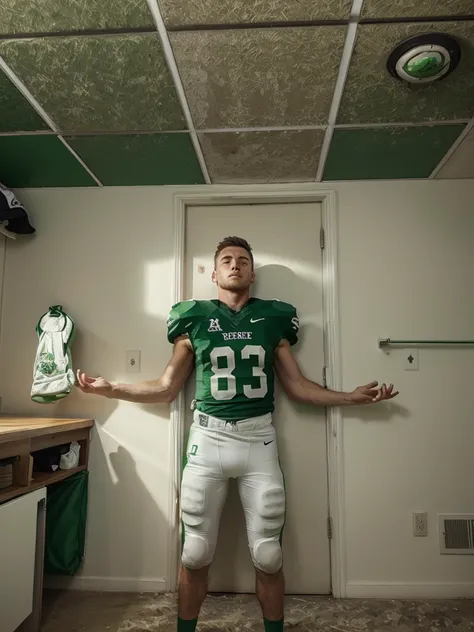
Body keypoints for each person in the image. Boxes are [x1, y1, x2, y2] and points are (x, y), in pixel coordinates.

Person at [77, 236, 399, 632]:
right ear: (214, 273)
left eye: (243, 260)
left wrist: (350, 397)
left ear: (252, 273)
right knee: (194, 553)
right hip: (207, 440)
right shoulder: (192, 317)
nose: (235, 265)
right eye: (227, 260)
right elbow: (166, 387)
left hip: (258, 440)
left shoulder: (273, 318)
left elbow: (297, 387)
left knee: (268, 556)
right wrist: (112, 389)